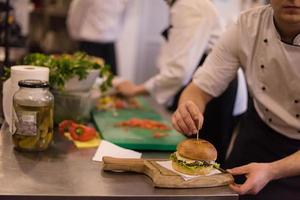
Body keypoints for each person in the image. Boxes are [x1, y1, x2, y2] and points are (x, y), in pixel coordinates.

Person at [171, 0, 300, 199]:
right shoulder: (248, 25)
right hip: (258, 134)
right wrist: (188, 106)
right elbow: (200, 87)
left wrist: (272, 170)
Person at [115, 0, 247, 165]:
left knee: (204, 159)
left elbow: (178, 72)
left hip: (213, 91)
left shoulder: (189, 6)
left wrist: (136, 90)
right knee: (194, 157)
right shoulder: (182, 5)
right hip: (204, 84)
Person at [67, 0, 130, 75]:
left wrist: (115, 35)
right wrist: (75, 35)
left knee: (112, 79)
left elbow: (123, 17)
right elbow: (76, 15)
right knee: (85, 78)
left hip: (109, 45)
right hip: (89, 44)